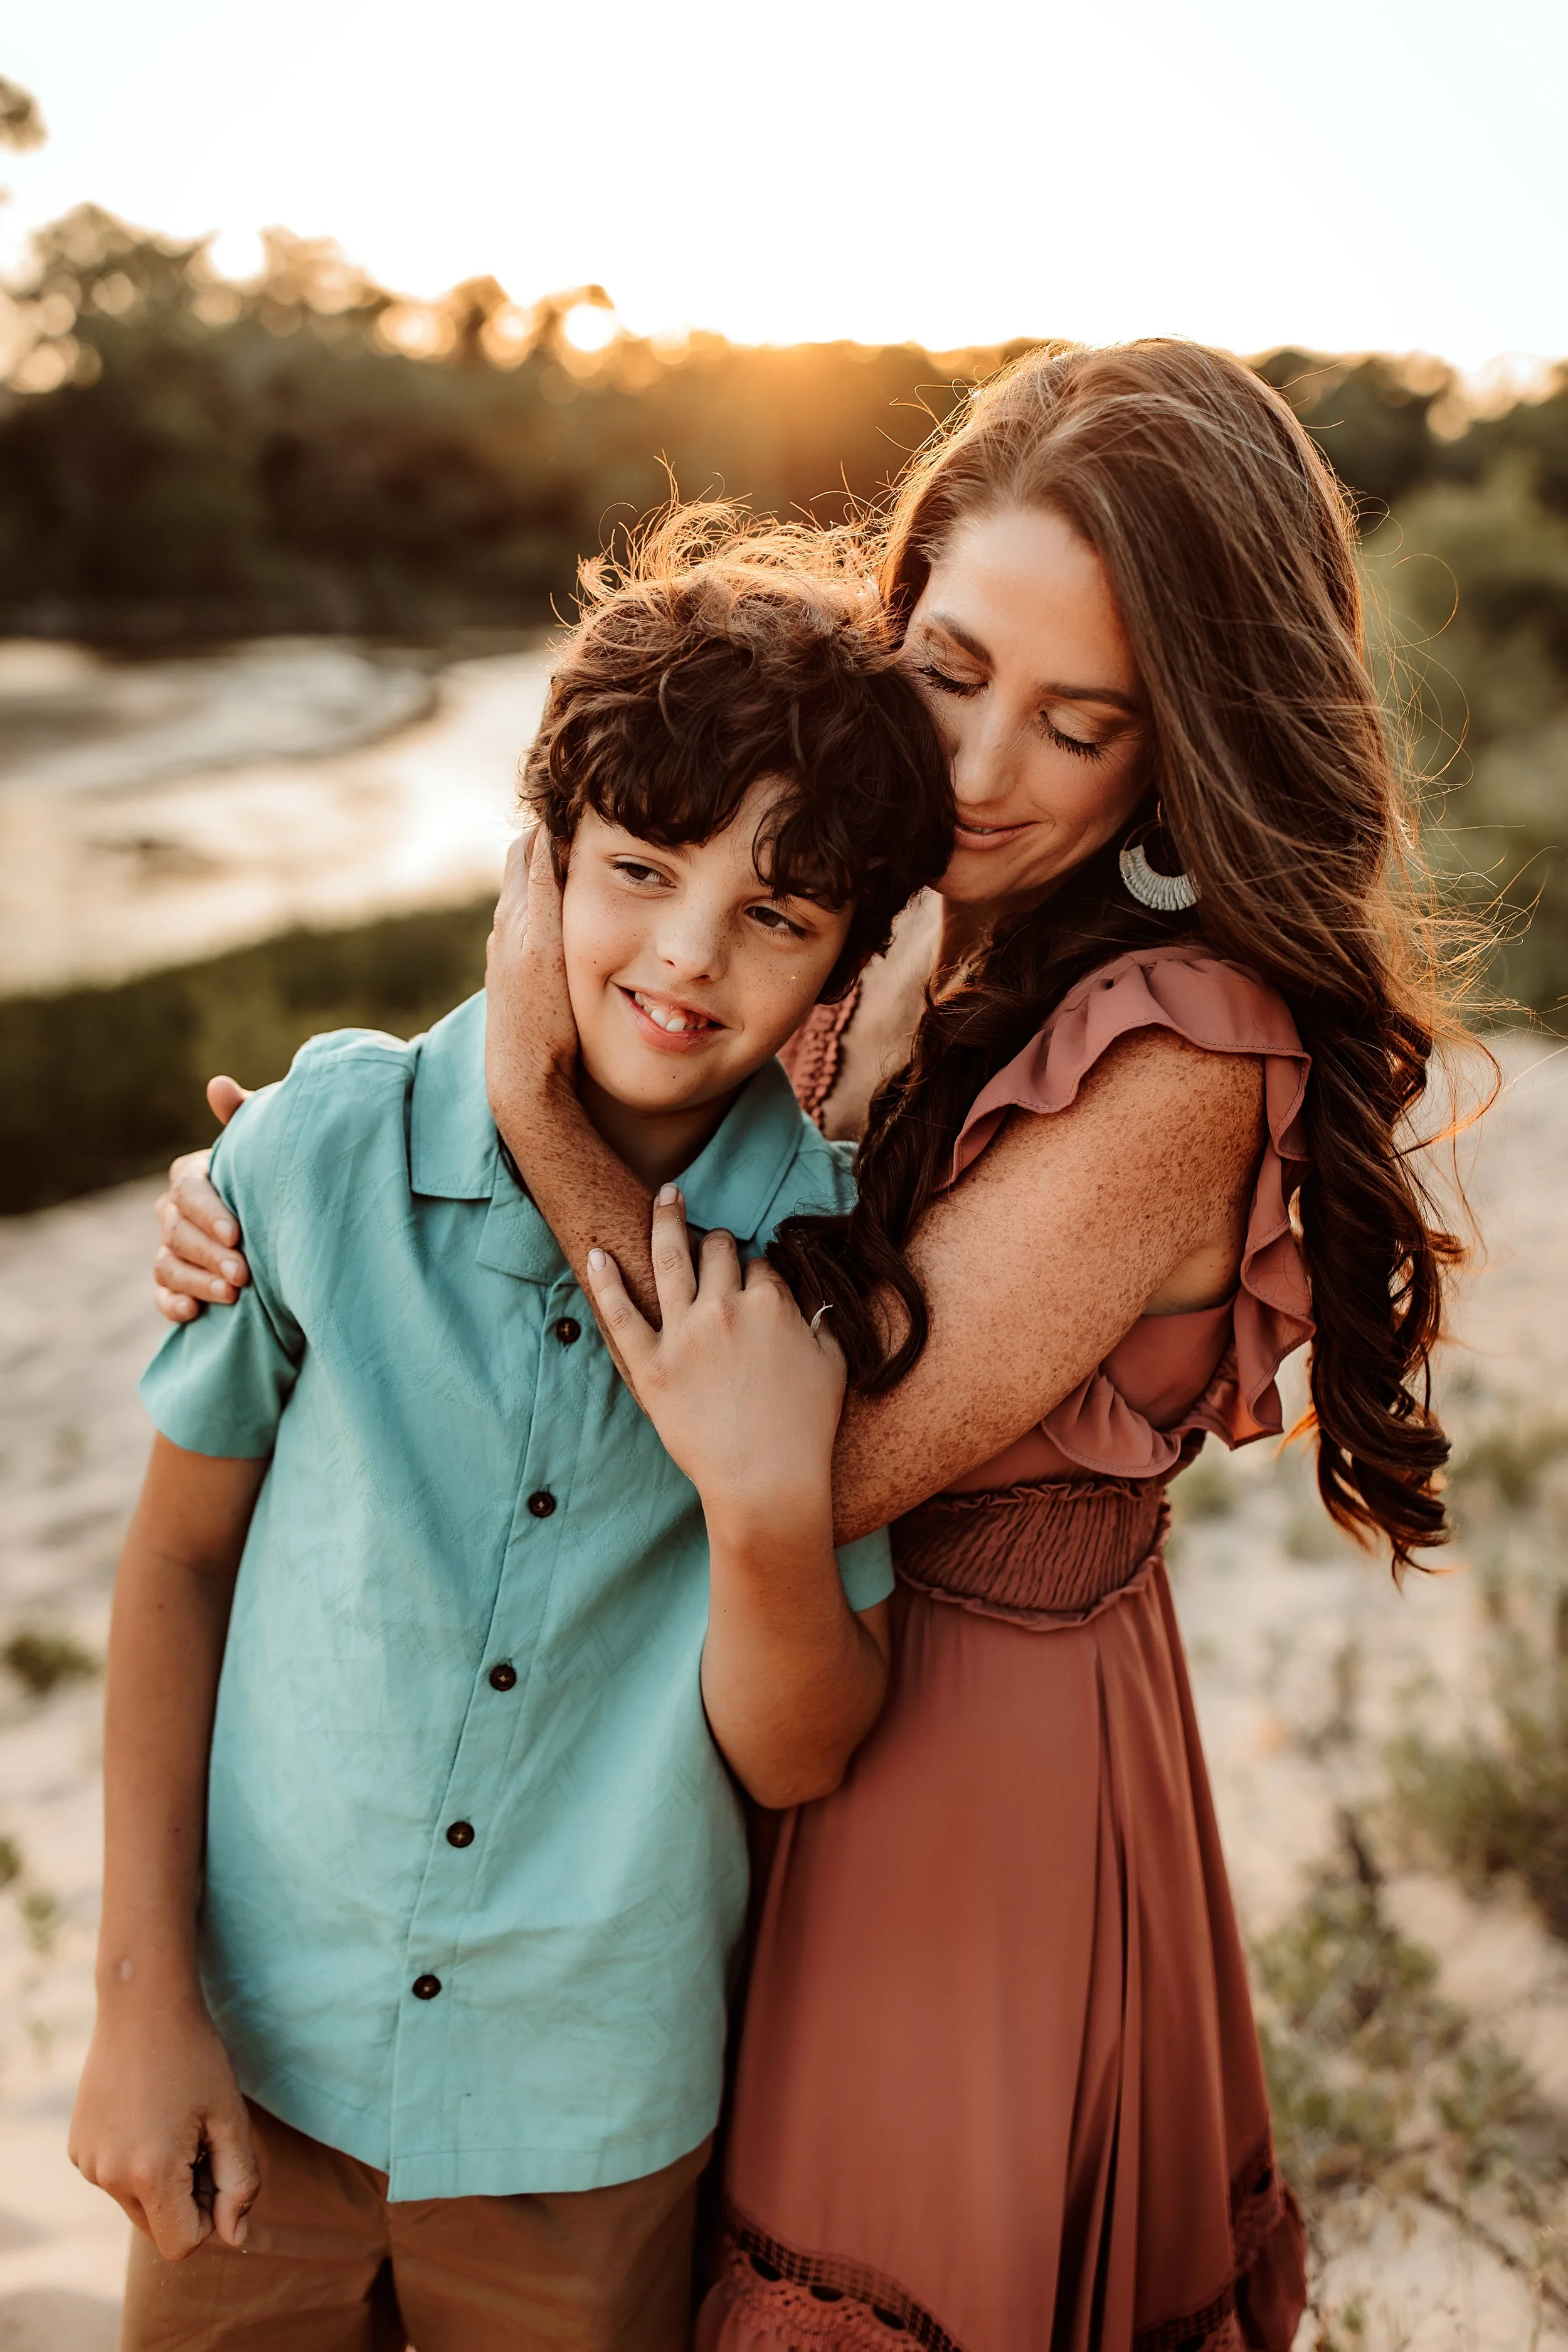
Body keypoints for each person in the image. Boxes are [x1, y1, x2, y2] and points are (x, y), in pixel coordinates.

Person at [156, 341, 1468, 2351]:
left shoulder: (1176, 1059)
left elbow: (803, 1452)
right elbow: (649, 1035)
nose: (980, 768)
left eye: (1080, 723)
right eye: (947, 672)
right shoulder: (886, 929)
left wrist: (519, 1112)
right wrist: (301, 1168)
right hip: (682, 1750)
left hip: (960, 1780)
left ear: (1177, 743)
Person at [70, 519, 955, 2352]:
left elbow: (797, 1754)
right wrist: (141, 2004)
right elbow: (172, 1565)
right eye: (637, 867)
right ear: (532, 860)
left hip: (592, 2118)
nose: (687, 958)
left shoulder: (821, 1279)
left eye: (774, 916)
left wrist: (762, 1501)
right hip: (260, 2061)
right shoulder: (311, 1160)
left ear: (843, 971)